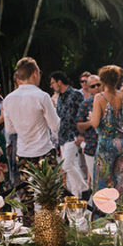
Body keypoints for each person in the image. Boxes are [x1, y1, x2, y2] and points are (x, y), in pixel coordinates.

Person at [2, 57, 60, 224]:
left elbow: (10, 130)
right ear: (35, 73)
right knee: (50, 195)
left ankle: (29, 232)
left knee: (27, 198)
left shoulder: (9, 99)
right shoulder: (42, 96)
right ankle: (53, 230)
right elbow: (55, 126)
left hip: (23, 152)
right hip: (44, 151)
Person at [89, 65, 123, 207]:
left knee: (103, 181)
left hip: (106, 144)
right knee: (122, 181)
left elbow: (95, 123)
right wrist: (119, 69)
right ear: (116, 80)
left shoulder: (99, 98)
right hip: (122, 143)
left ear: (102, 81)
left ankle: (102, 217)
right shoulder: (122, 95)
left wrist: (90, 117)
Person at [49, 70, 87, 198]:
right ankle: (77, 195)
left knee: (67, 166)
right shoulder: (59, 98)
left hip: (74, 135)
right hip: (63, 137)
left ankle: (84, 188)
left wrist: (81, 135)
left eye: (53, 83)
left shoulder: (75, 94)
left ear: (59, 82)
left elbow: (83, 114)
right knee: (72, 165)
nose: (51, 86)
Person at [76, 74, 101, 184]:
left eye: (98, 85)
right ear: (88, 88)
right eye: (93, 86)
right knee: (95, 181)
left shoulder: (110, 101)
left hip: (108, 148)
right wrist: (91, 123)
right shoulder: (85, 104)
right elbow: (79, 125)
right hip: (91, 146)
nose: (96, 88)